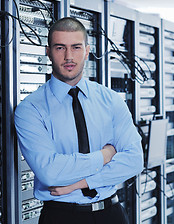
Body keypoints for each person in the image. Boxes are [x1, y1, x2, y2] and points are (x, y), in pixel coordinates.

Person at [14, 17, 144, 224]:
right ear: (48, 52)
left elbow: (135, 160)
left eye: (76, 47)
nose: (68, 56)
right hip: (61, 217)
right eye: (60, 48)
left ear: (86, 50)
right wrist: (106, 154)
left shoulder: (110, 100)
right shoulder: (30, 109)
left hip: (111, 214)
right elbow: (50, 173)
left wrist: (77, 184)